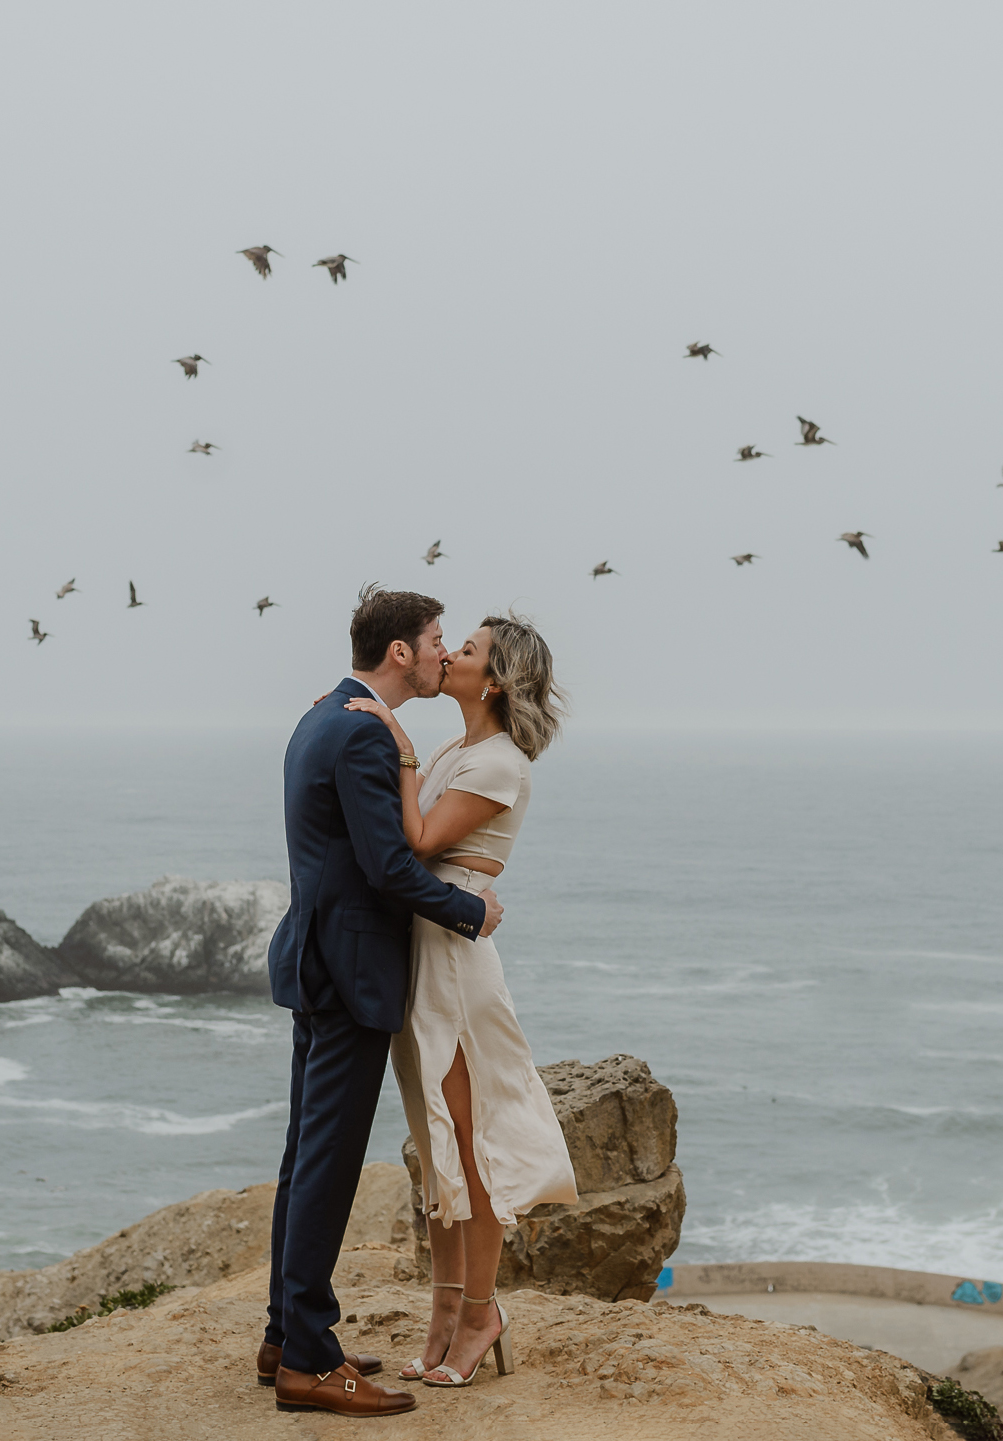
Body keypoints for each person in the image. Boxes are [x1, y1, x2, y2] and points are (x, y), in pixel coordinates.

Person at [261, 587, 504, 1418]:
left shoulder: (321, 714)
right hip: (352, 970)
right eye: (437, 639)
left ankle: (281, 1334)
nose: (443, 652)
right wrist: (473, 912)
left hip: (313, 961)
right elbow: (388, 869)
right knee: (324, 1164)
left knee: (304, 1155)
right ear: (400, 650)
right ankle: (310, 1359)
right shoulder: (363, 733)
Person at [344, 612, 576, 1391]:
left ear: (497, 680)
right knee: (437, 1143)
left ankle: (481, 1312)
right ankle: (446, 1310)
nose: (451, 654)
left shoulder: (500, 762)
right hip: (428, 948)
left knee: (469, 1143)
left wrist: (396, 743)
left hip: (454, 961)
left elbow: (417, 839)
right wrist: (412, 748)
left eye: (467, 650)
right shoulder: (459, 748)